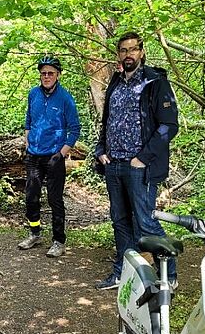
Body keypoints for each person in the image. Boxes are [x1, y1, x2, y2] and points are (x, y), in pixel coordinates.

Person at [93, 32, 179, 290]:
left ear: (141, 52)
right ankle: (122, 273)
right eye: (123, 50)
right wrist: (100, 149)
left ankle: (169, 275)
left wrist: (143, 158)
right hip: (114, 164)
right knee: (120, 220)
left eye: (133, 49)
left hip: (139, 166)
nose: (128, 54)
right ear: (118, 54)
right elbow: (108, 121)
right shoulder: (116, 83)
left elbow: (168, 126)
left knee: (145, 221)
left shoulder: (155, 81)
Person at [17, 55, 81, 258]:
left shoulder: (65, 98)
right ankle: (34, 233)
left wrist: (62, 153)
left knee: (55, 199)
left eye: (50, 73)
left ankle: (58, 240)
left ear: (57, 75)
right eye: (43, 73)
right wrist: (27, 140)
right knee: (31, 197)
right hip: (33, 154)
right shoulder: (33, 94)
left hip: (54, 156)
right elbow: (28, 119)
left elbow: (75, 128)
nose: (46, 76)